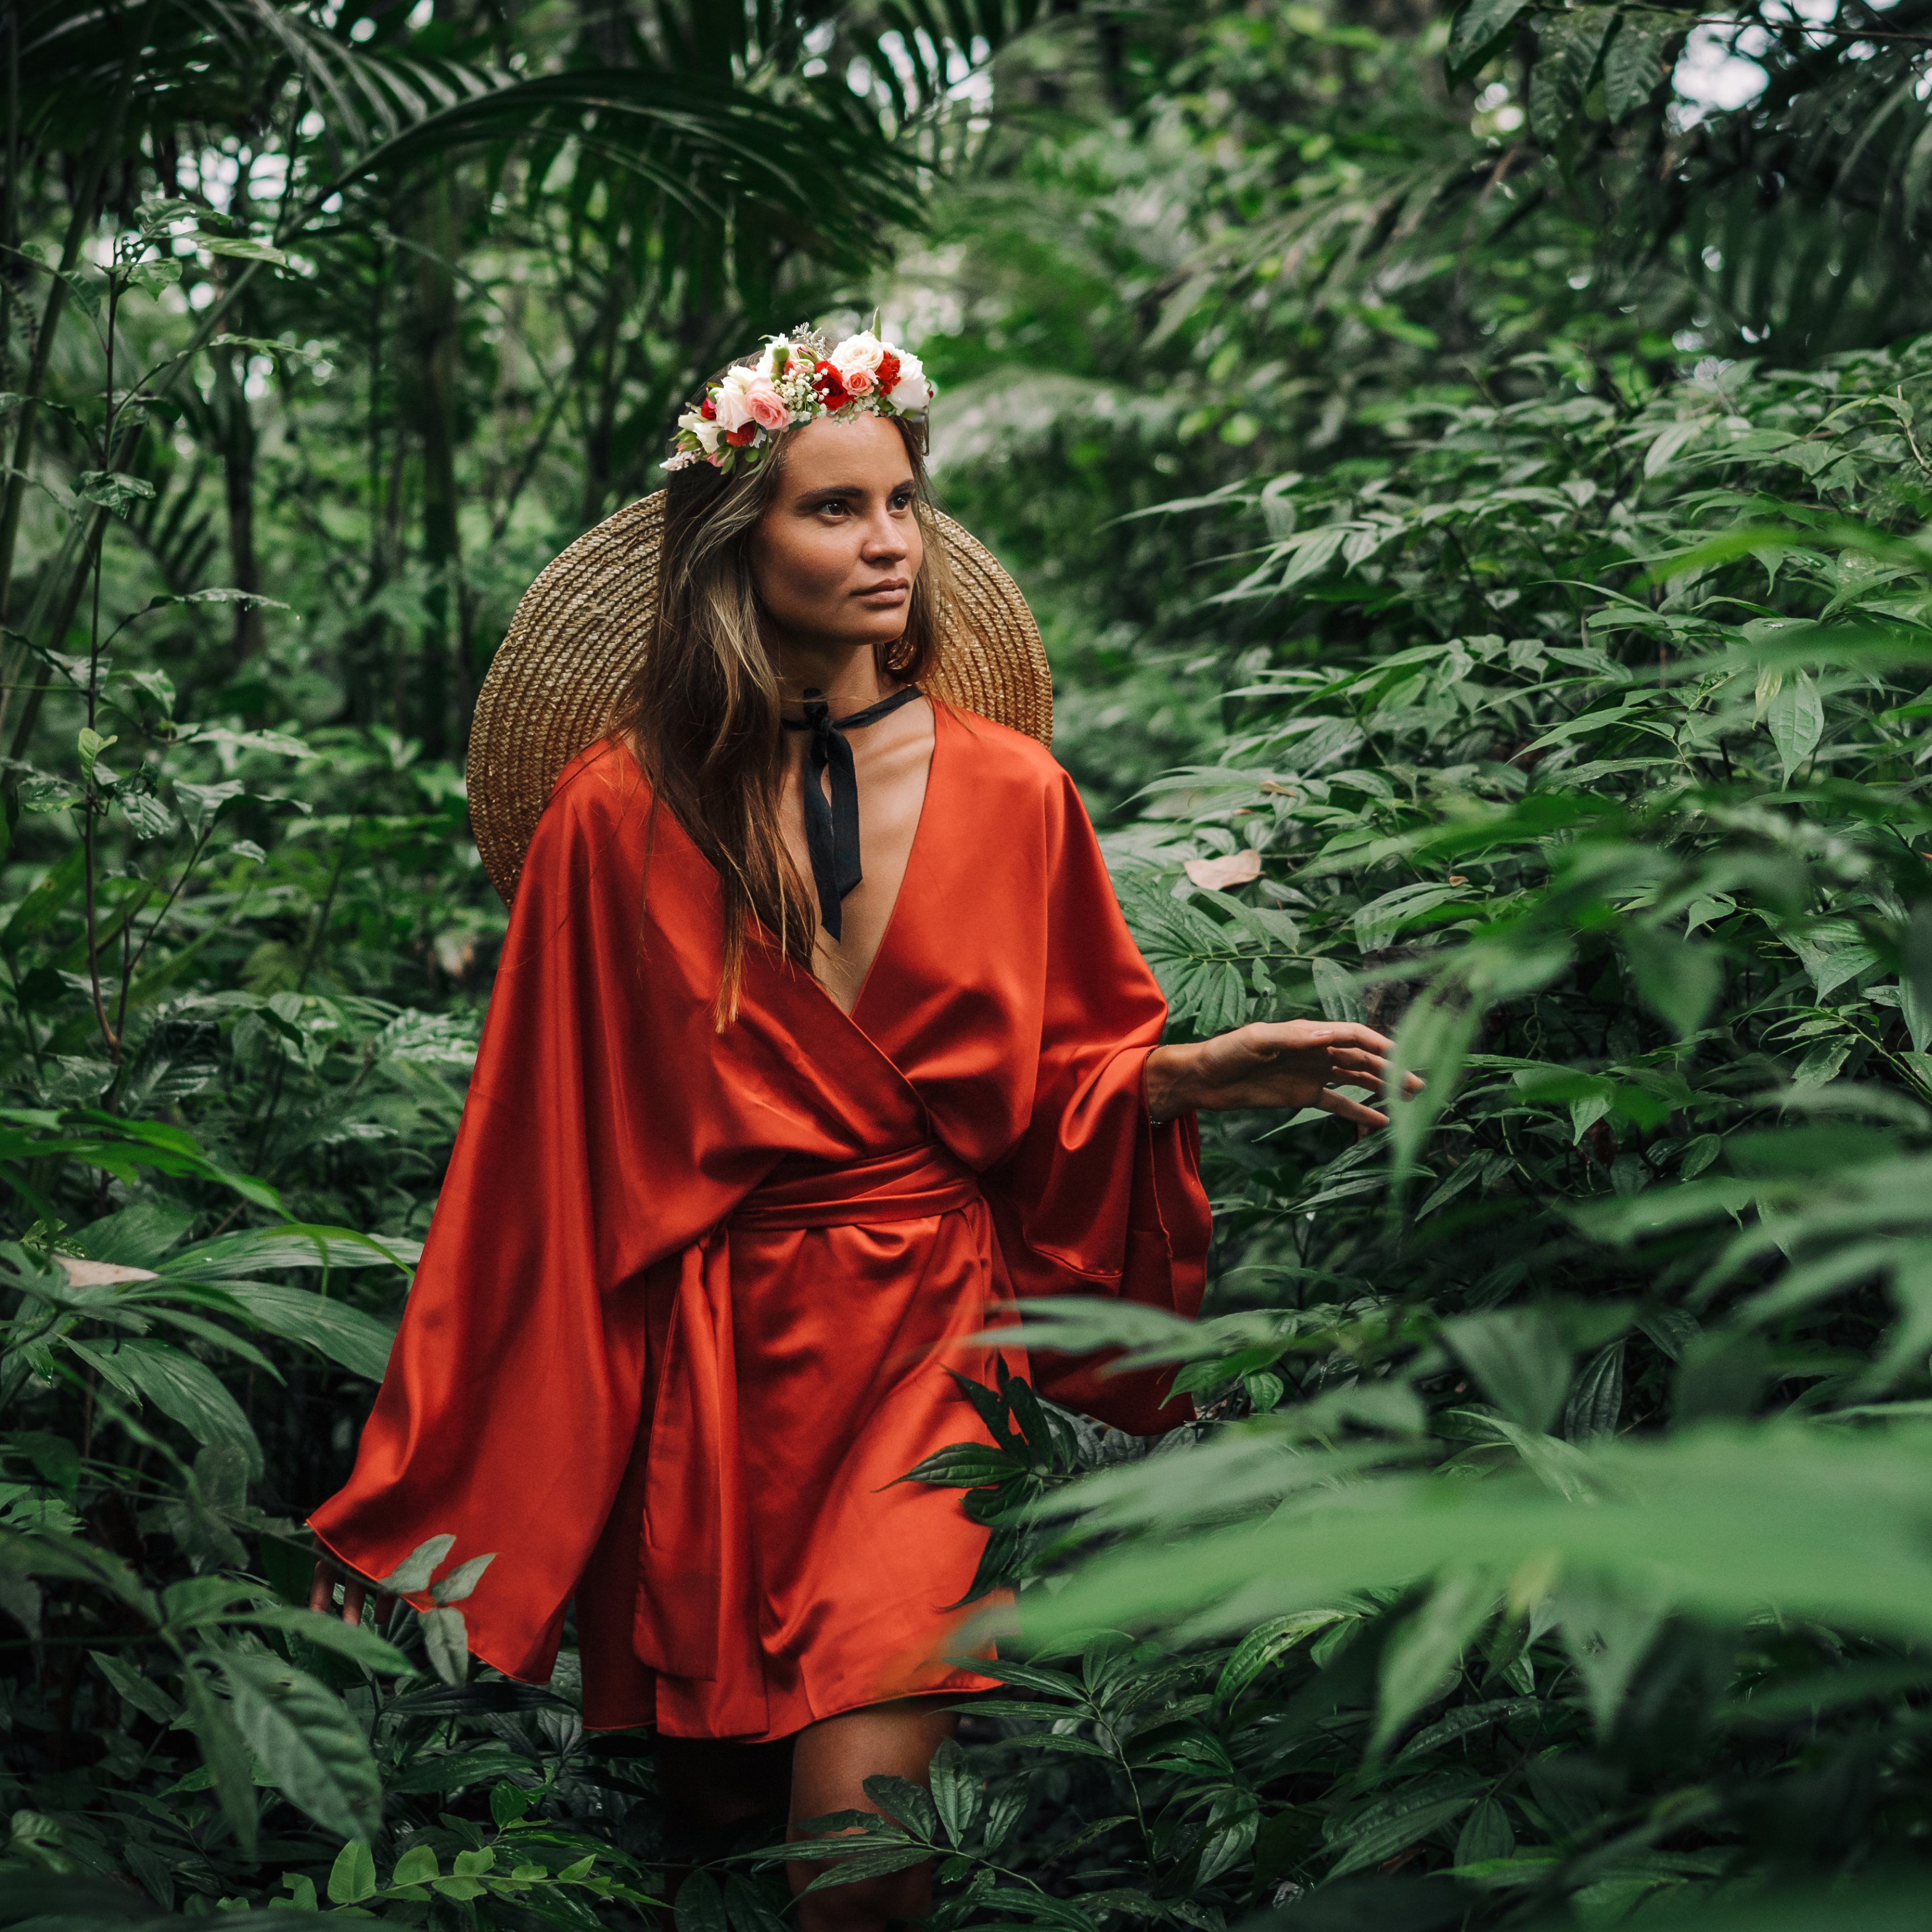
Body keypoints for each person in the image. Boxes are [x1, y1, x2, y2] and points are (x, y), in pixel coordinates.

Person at [308, 326, 1410, 1932]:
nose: (888, 541)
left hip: (925, 1340)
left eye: (899, 502)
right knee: (715, 1824)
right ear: (735, 542)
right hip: (714, 1354)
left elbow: (1055, 1088)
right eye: (835, 508)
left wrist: (1181, 1076)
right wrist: (437, 1465)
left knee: (860, 1848)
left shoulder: (1017, 790)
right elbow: (531, 1165)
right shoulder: (614, 816)